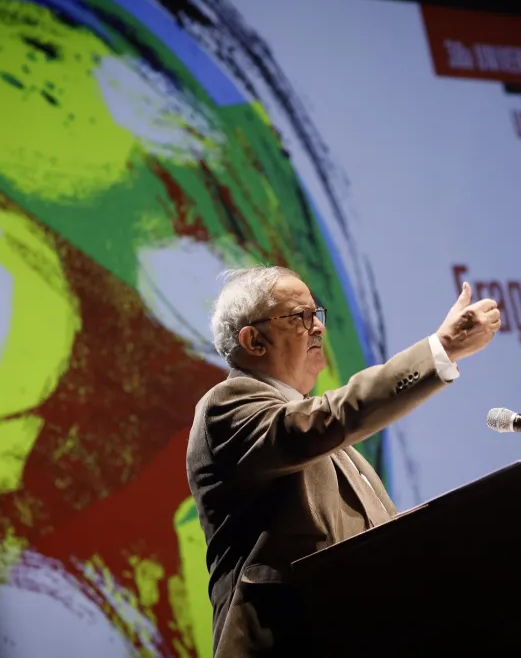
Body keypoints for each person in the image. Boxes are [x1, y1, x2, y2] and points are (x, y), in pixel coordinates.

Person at [186, 265, 501, 657]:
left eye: (317, 314)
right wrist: (440, 350)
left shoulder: (329, 441)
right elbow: (322, 422)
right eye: (299, 317)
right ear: (254, 340)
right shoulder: (227, 406)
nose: (318, 327)